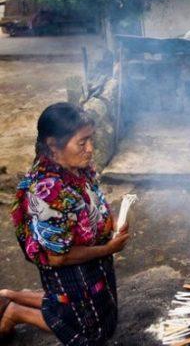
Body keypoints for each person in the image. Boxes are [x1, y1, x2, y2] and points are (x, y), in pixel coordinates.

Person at [0, 102, 130, 345]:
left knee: (102, 316)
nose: (90, 149)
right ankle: (15, 312)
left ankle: (7, 295)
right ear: (53, 145)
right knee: (91, 334)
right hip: (69, 270)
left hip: (92, 261)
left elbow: (93, 198)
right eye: (82, 142)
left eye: (91, 139)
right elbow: (58, 257)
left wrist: (110, 221)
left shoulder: (77, 167)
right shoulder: (47, 193)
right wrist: (108, 249)